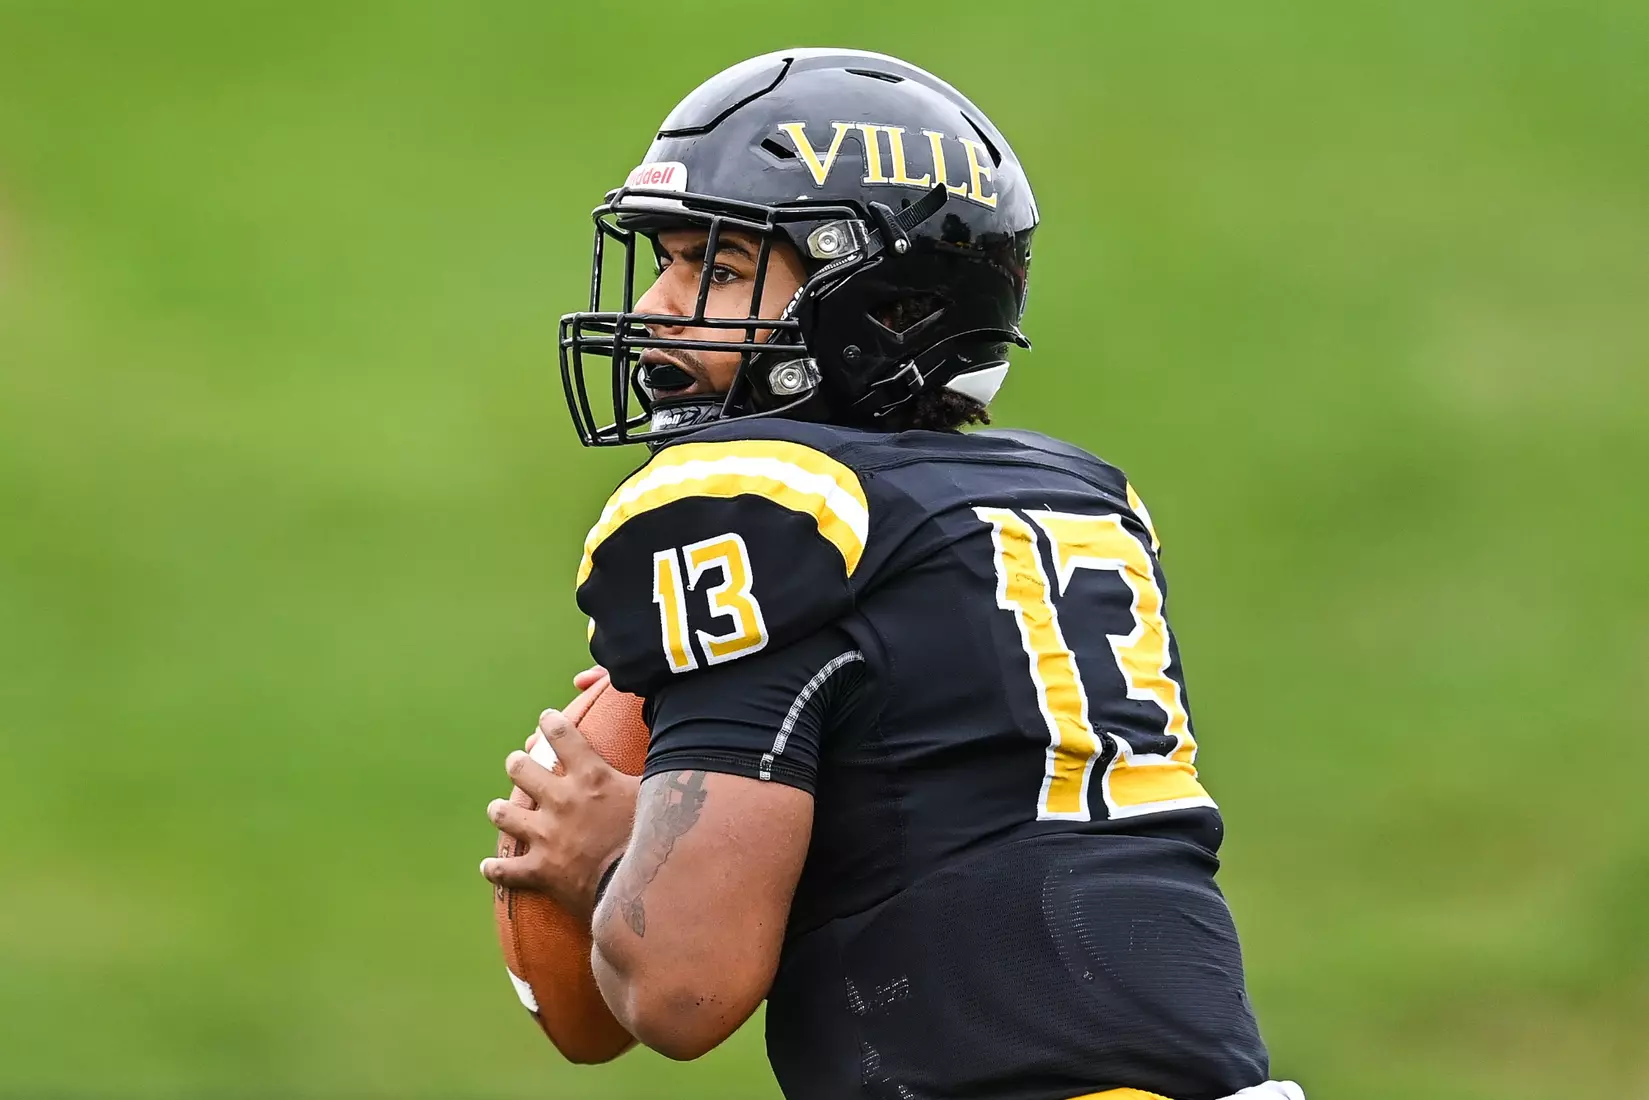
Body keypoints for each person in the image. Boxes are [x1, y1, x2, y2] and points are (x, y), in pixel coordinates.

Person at [480, 47, 1301, 1100]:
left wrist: (604, 854)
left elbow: (681, 988)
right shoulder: (1068, 497)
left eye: (715, 268)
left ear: (881, 305)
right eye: (667, 258)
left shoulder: (767, 506)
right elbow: (945, 826)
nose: (656, 303)